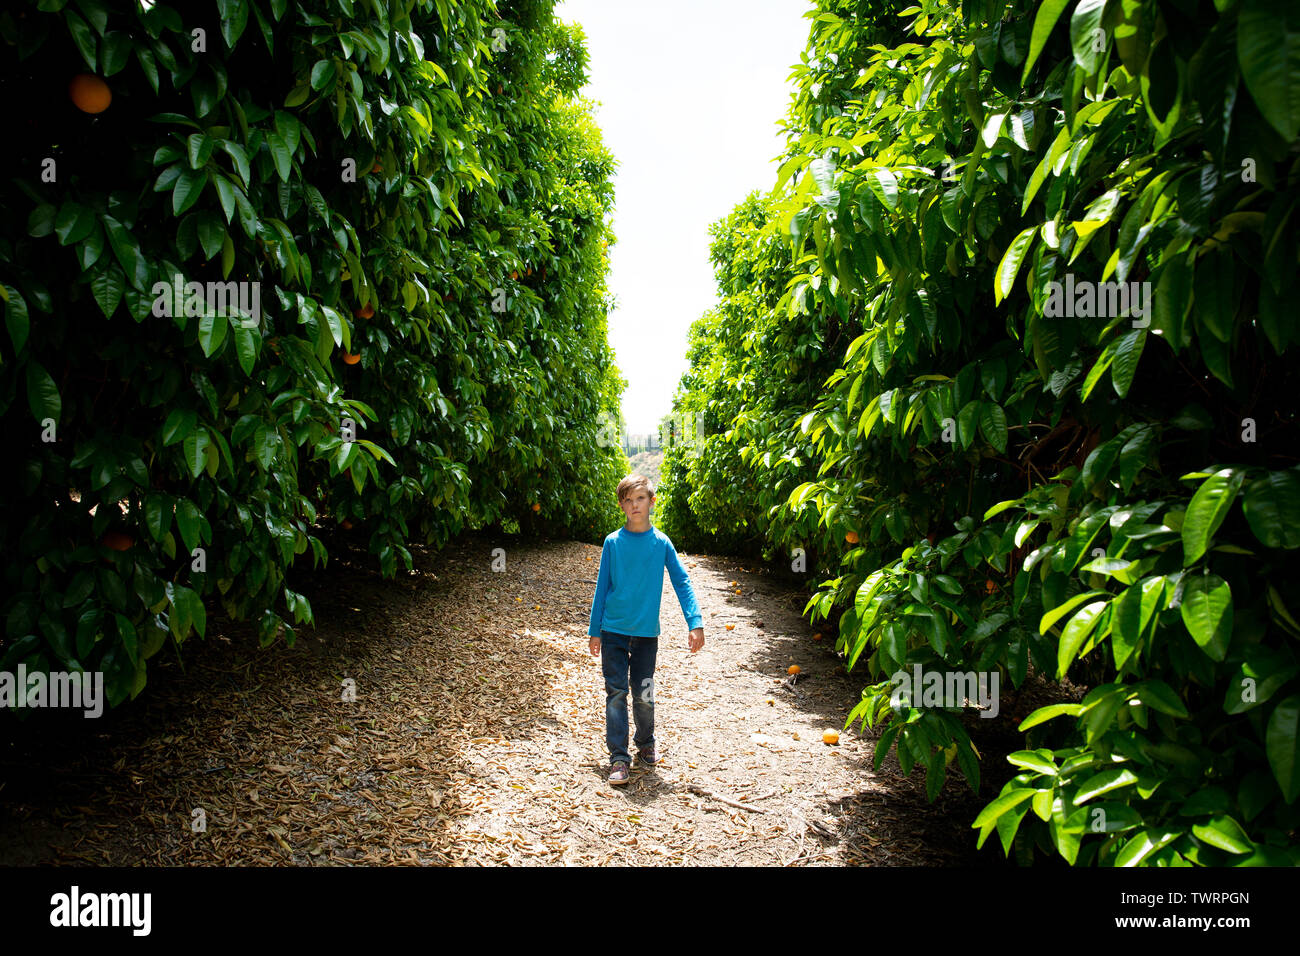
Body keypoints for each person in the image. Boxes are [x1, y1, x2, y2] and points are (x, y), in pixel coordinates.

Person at [588, 474, 704, 785]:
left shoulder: (661, 543)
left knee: (644, 694)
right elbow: (603, 587)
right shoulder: (613, 542)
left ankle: (646, 742)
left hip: (645, 635)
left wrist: (695, 622)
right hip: (613, 630)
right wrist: (594, 629)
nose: (634, 505)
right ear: (621, 505)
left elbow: (682, 581)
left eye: (640, 498)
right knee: (616, 693)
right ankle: (619, 758)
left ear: (651, 502)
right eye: (628, 500)